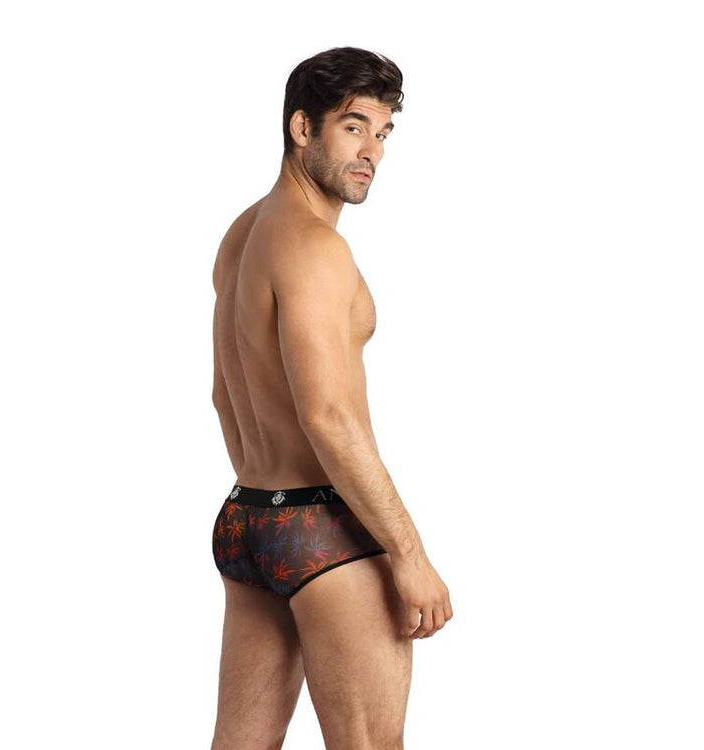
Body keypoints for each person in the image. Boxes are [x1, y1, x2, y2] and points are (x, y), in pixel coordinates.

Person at [209, 46, 454, 750]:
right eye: (352, 127)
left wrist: (272, 499)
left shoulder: (243, 234)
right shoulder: (315, 248)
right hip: (324, 532)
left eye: (383, 132)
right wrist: (407, 552)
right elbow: (328, 415)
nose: (372, 150)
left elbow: (224, 394)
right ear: (301, 128)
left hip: (249, 517)